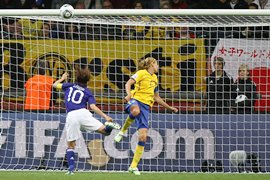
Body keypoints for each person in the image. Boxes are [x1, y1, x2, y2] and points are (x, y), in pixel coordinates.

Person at [114, 57, 178, 175]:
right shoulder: (141, 73)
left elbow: (156, 97)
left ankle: (133, 166)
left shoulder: (155, 78)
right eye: (157, 64)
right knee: (135, 111)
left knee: (143, 137)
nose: (158, 66)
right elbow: (128, 83)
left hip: (146, 108)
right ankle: (122, 131)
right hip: (135, 100)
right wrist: (128, 95)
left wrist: (169, 108)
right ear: (151, 64)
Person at [53, 67, 121, 175]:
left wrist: (62, 78)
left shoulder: (68, 86)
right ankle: (108, 125)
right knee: (105, 131)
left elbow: (54, 85)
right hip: (83, 113)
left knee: (71, 144)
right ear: (88, 80)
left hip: (72, 115)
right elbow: (93, 107)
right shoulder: (88, 92)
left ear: (77, 78)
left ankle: (71, 170)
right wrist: (105, 117)